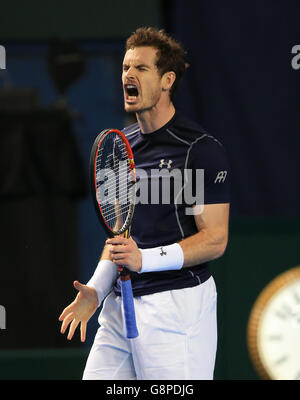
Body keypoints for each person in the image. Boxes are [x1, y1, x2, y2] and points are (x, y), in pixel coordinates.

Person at [59, 27, 230, 380]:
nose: (128, 76)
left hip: (177, 307)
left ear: (167, 80)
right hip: (120, 303)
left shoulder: (199, 149)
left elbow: (215, 239)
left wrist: (144, 259)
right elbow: (121, 238)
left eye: (140, 68)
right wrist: (95, 288)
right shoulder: (120, 147)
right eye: (124, 68)